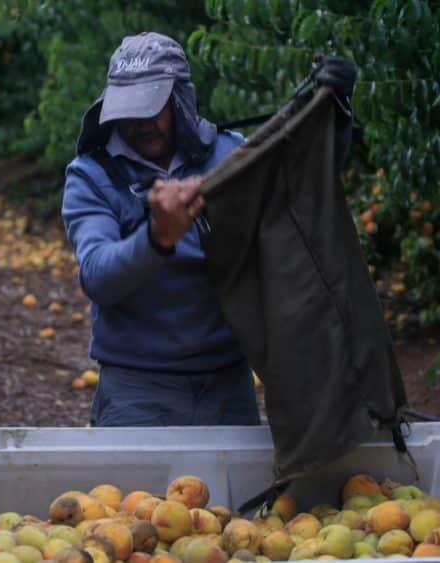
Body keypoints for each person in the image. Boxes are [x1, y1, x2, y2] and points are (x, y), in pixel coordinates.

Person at [61, 32, 356, 427]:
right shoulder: (93, 175)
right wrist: (157, 237)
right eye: (129, 110)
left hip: (227, 383)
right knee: (134, 493)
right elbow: (98, 275)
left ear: (181, 100)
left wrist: (333, 115)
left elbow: (301, 204)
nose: (141, 123)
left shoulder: (229, 155)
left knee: (231, 490)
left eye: (153, 108)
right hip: (137, 390)